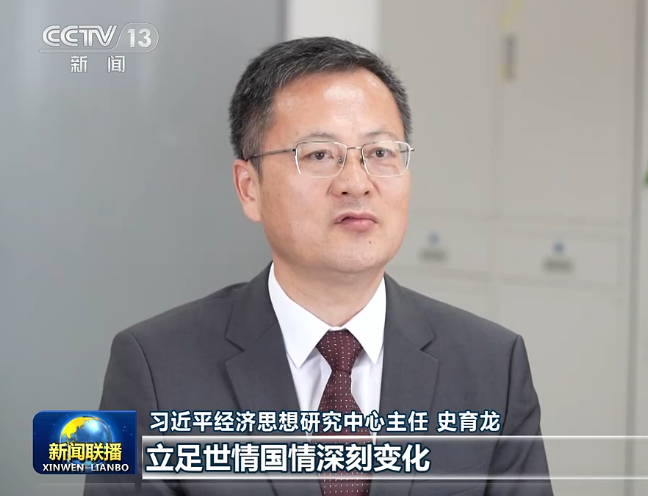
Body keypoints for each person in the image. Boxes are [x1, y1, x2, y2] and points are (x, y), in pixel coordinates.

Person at [83, 37, 553, 496]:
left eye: (380, 153)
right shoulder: (155, 366)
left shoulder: (493, 365)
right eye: (319, 155)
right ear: (249, 188)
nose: (356, 183)